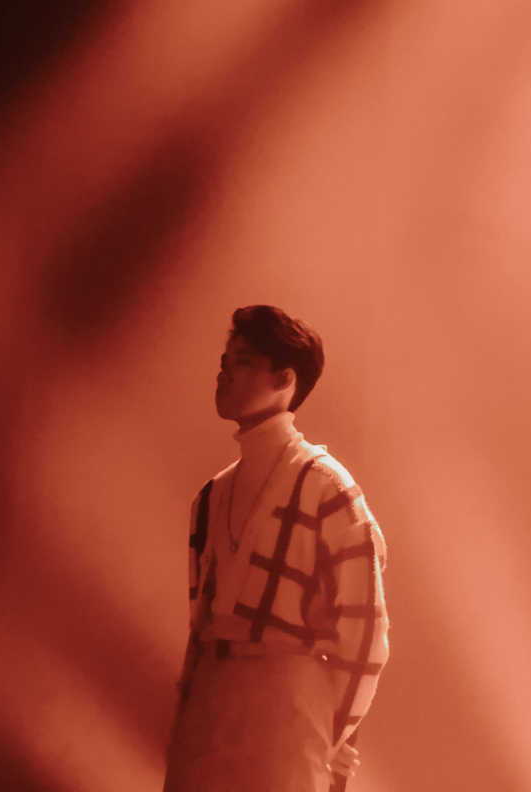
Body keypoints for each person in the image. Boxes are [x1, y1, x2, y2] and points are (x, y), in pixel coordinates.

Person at [164, 304, 389, 792]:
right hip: (211, 704)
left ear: (285, 379)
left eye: (243, 362)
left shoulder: (328, 489)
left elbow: (363, 635)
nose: (224, 373)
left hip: (287, 706)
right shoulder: (212, 497)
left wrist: (332, 735)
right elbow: (199, 629)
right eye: (224, 361)